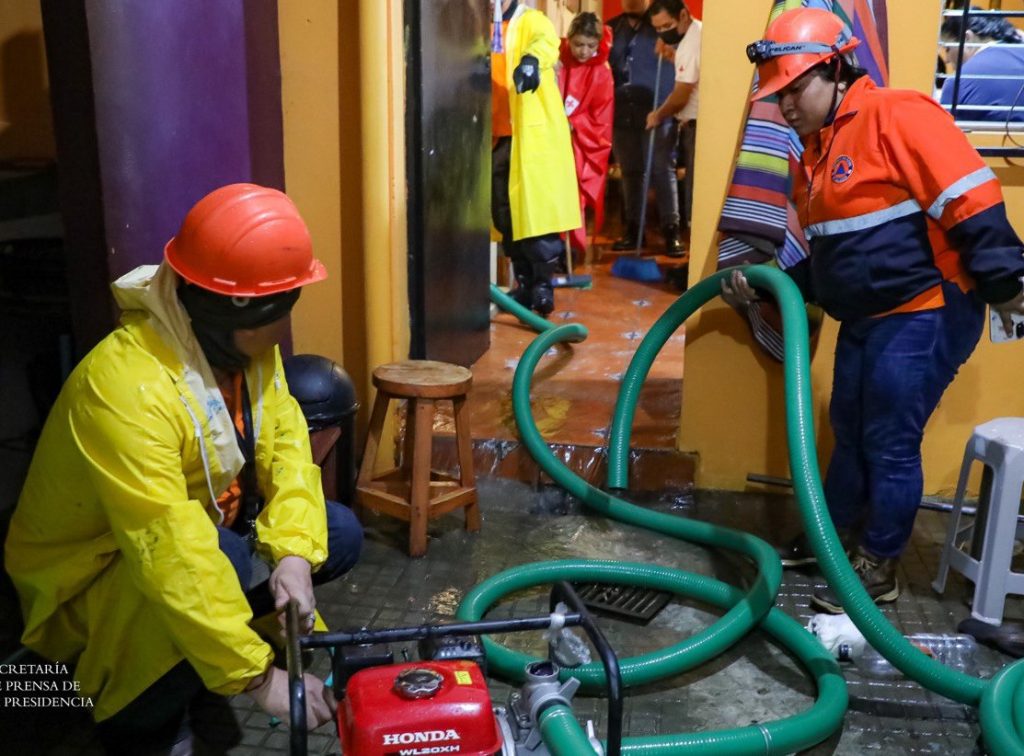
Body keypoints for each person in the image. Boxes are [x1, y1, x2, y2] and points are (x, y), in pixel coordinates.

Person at [4, 183, 364, 752]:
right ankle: (145, 709)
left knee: (334, 531)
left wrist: (294, 557)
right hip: (98, 569)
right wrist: (256, 678)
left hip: (198, 532)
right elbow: (168, 546)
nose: (281, 332)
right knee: (217, 563)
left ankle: (210, 647)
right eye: (273, 313)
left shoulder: (244, 350)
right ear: (224, 310)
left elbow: (287, 446)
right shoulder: (126, 386)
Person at [724, 8, 1024, 614]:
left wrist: (1004, 280)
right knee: (852, 427)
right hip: (871, 315)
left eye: (794, 89)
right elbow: (837, 255)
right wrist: (766, 286)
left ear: (836, 70)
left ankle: (879, 564)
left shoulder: (896, 114)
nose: (785, 106)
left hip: (926, 308)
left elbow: (971, 196)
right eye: (778, 95)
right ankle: (833, 539)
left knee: (888, 438)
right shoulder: (816, 150)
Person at [491, 0, 580, 316]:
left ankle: (543, 287)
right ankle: (525, 284)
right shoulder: (479, 27)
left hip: (529, 138)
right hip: (494, 137)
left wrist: (530, 61)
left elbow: (546, 43)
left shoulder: (532, 21)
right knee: (505, 214)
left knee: (536, 215)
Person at [607, 0, 682, 255]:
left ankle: (671, 231)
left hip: (658, 111)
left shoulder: (664, 25)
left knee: (662, 170)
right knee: (630, 173)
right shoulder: (611, 29)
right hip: (621, 113)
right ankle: (632, 229)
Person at [558, 12, 615, 257]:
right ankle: (554, 247)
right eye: (578, 44)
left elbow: (602, 118)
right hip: (554, 139)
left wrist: (575, 124)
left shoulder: (602, 71)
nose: (584, 51)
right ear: (568, 39)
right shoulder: (557, 60)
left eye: (591, 46)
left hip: (581, 144)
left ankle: (572, 248)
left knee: (574, 194)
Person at [646, 0, 700, 252]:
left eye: (667, 26)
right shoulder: (693, 37)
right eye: (657, 29)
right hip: (692, 126)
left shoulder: (691, 41)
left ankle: (693, 265)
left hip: (697, 128)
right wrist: (672, 56)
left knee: (695, 197)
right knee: (692, 193)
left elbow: (681, 95)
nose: (663, 33)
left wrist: (658, 115)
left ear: (683, 15)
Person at [939, 8, 1024, 123]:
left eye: (948, 48)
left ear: (966, 38)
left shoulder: (957, 81)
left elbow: (945, 129)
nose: (947, 60)